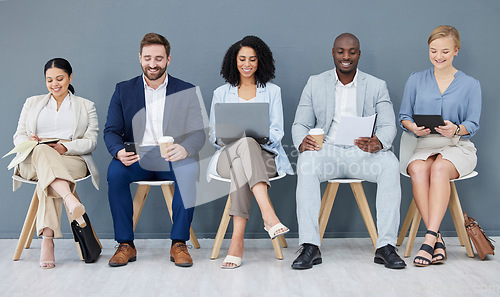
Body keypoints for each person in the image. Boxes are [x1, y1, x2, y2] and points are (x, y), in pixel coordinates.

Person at [291, 33, 406, 270]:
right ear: (333, 53)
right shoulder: (315, 82)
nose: (346, 56)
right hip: (328, 152)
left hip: (361, 153)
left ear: (359, 54)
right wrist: (302, 141)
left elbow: (388, 126)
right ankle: (310, 245)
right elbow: (299, 124)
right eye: (341, 51)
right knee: (305, 163)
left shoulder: (376, 85)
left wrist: (379, 142)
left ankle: (386, 246)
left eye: (352, 52)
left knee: (390, 164)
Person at [104, 33, 205, 268]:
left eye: (158, 58)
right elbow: (111, 130)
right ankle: (125, 244)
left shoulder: (186, 90)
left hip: (172, 156)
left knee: (189, 170)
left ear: (168, 59)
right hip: (136, 157)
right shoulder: (123, 90)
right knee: (115, 173)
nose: (152, 64)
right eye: (148, 58)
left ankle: (179, 243)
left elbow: (199, 133)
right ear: (140, 58)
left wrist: (186, 149)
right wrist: (118, 151)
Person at [208, 36, 294, 268]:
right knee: (242, 146)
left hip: (265, 155)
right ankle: (269, 215)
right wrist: (234, 138)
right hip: (226, 156)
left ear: (260, 62)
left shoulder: (273, 92)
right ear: (234, 62)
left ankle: (237, 241)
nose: (247, 64)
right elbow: (213, 137)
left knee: (243, 159)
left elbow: (278, 132)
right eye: (242, 59)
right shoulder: (221, 93)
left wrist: (257, 137)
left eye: (253, 59)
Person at [399, 25, 481, 267]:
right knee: (417, 169)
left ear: (456, 50)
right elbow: (404, 116)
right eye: (433, 50)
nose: (438, 56)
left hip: (457, 145)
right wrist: (413, 128)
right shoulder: (416, 79)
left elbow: (473, 124)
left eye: (445, 51)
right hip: (425, 144)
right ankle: (438, 239)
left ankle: (429, 239)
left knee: (439, 169)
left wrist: (455, 128)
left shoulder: (470, 84)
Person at [12, 58, 99, 269]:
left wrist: (65, 148)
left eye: (60, 78)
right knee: (43, 154)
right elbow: (18, 136)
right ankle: (70, 199)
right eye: (49, 80)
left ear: (70, 77)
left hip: (71, 159)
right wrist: (30, 142)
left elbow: (91, 141)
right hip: (34, 157)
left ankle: (47, 241)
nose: (55, 84)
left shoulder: (86, 106)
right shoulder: (31, 103)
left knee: (48, 178)